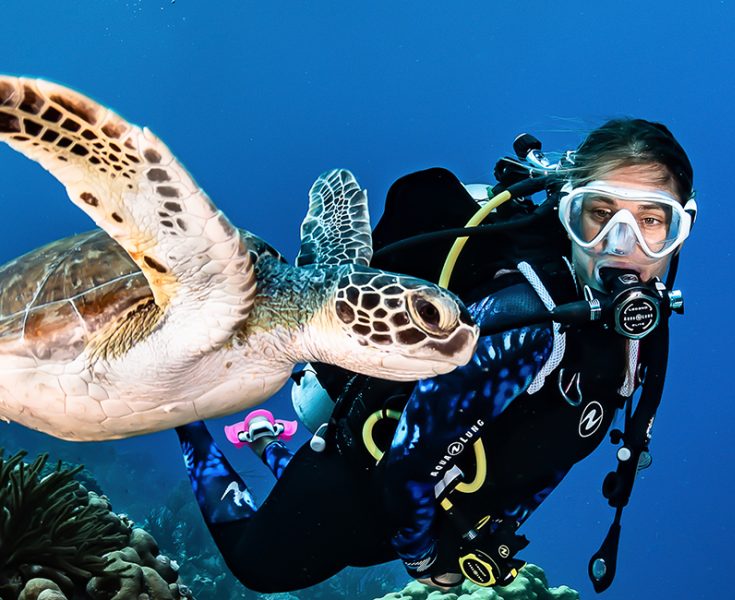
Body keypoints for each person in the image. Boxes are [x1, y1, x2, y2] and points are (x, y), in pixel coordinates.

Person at [175, 118, 696, 593]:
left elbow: (556, 448)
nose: (622, 246)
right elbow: (408, 464)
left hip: (437, 510)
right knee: (261, 569)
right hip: (368, 477)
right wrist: (428, 565)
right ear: (567, 211)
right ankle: (187, 418)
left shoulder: (638, 333)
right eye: (600, 215)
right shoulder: (525, 321)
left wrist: (493, 528)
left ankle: (263, 436)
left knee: (363, 552)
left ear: (682, 229)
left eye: (654, 222)